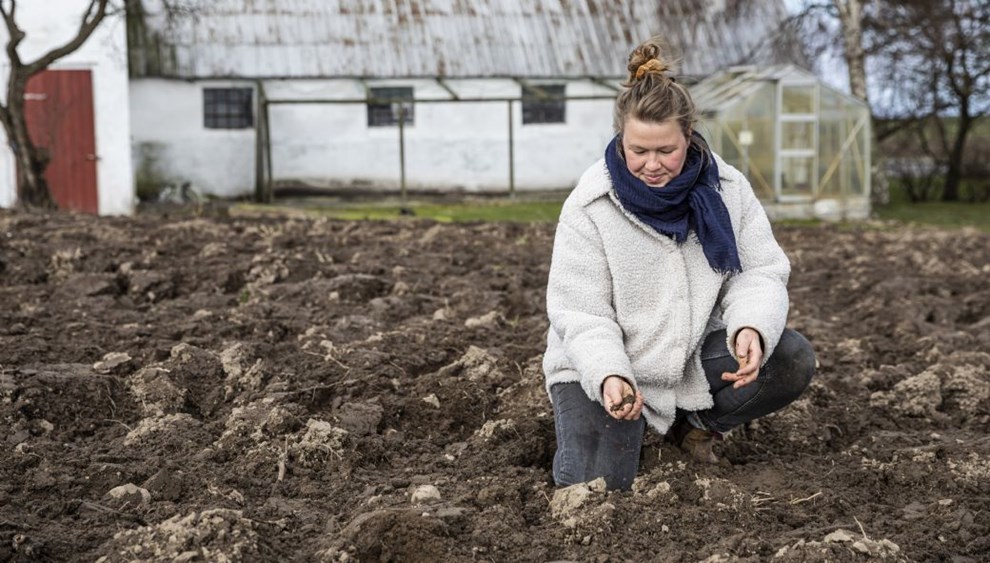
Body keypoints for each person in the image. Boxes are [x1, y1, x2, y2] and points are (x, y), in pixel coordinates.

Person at [542, 37, 816, 491]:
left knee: (790, 358)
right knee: (592, 489)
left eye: (665, 151)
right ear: (620, 138)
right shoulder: (590, 205)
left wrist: (751, 326)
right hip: (605, 364)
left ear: (688, 137)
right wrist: (609, 373)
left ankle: (696, 426)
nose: (652, 165)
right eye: (638, 151)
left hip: (689, 357)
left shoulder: (727, 189)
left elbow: (759, 271)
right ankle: (628, 426)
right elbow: (581, 310)